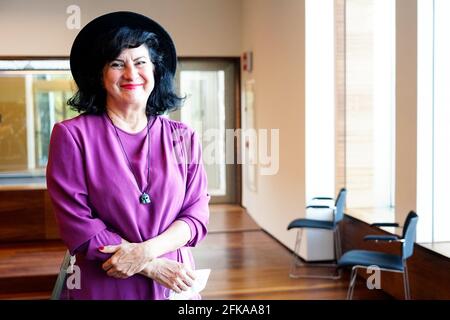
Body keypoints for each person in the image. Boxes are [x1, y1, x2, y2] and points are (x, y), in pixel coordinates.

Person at [46, 11, 210, 300]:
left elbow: (196, 215)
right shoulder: (72, 136)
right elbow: (79, 226)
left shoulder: (183, 136)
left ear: (155, 70)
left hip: (174, 281)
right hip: (106, 279)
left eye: (140, 62)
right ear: (100, 75)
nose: (131, 74)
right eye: (117, 64)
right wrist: (152, 266)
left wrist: (146, 253)